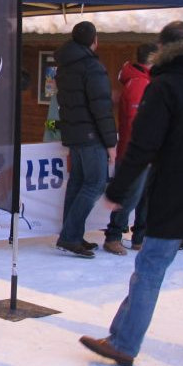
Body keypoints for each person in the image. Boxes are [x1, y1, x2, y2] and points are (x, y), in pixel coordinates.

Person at [79, 23, 183, 366]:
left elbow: (142, 145)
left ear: (163, 50)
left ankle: (123, 343)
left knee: (150, 268)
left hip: (177, 191)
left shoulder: (164, 87)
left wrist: (118, 189)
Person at [54, 21, 118, 258]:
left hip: (74, 133)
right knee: (95, 184)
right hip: (91, 135)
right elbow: (101, 108)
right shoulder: (92, 67)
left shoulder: (64, 66)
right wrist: (110, 143)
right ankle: (70, 236)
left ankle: (72, 234)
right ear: (94, 41)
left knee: (78, 183)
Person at [102, 41, 157, 256]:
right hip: (136, 150)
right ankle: (114, 236)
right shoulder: (138, 83)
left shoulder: (144, 81)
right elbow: (136, 121)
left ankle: (139, 237)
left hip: (145, 150)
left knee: (144, 196)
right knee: (131, 195)